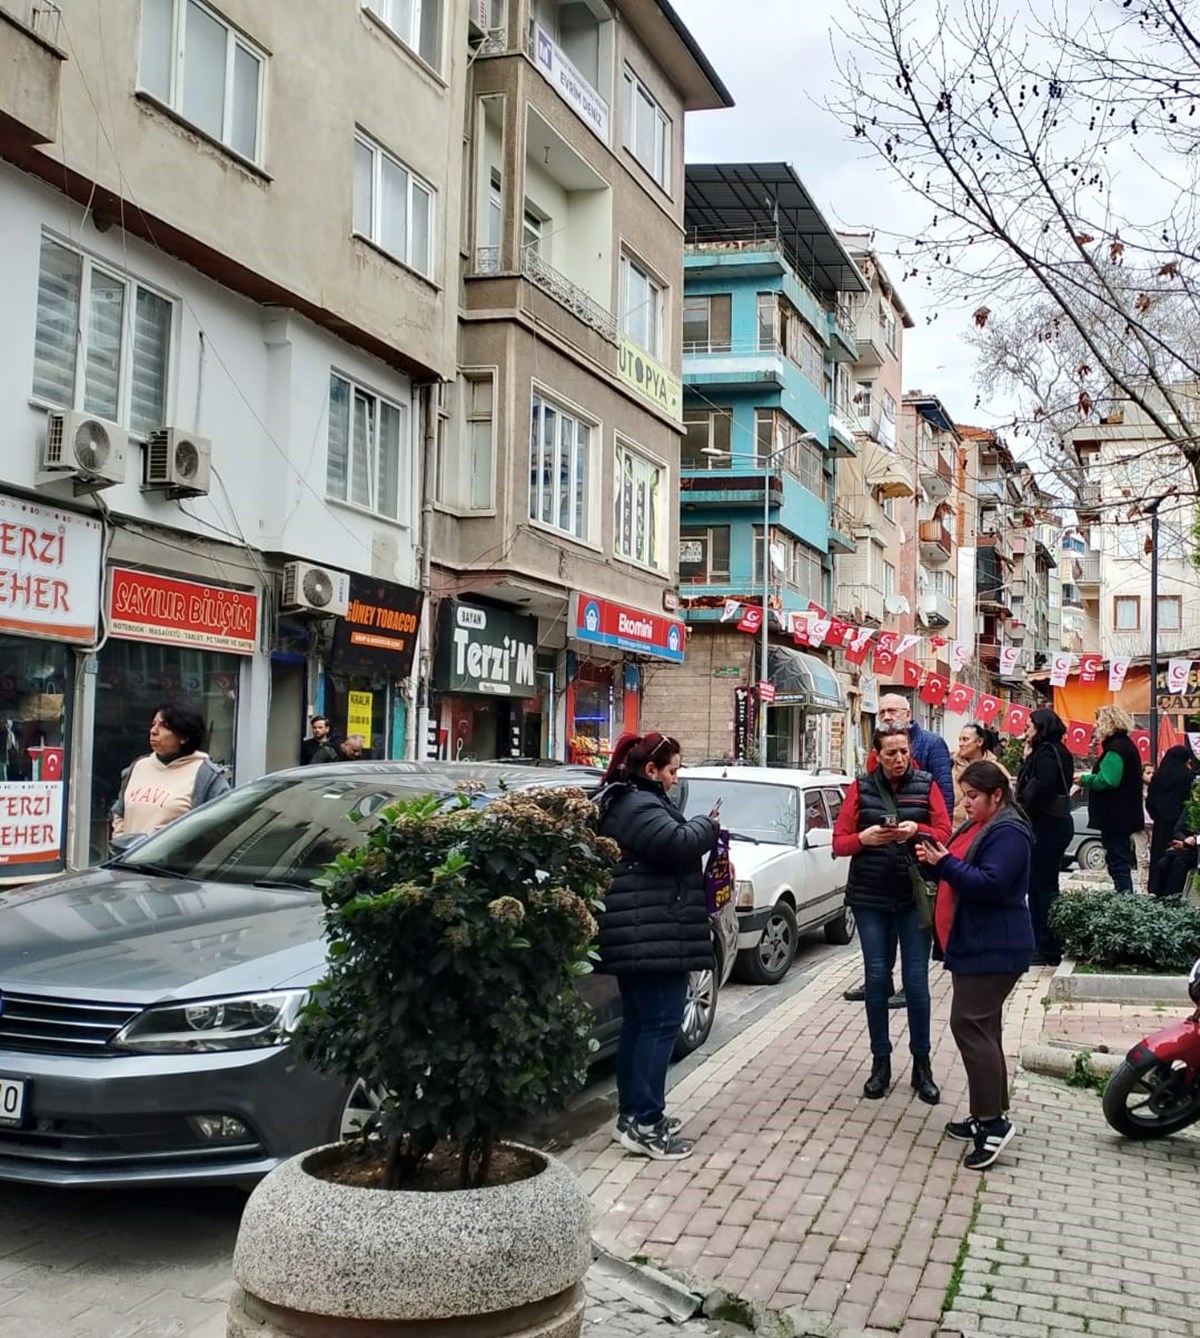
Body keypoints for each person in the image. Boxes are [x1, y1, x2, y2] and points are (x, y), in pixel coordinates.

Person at [595, 731, 719, 1161]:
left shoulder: (631, 799)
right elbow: (675, 843)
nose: (674, 779)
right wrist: (708, 824)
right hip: (650, 933)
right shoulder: (637, 803)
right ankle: (646, 1123)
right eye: (671, 771)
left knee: (641, 1023)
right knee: (660, 1024)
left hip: (646, 931)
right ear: (650, 770)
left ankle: (632, 1116)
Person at [916, 760, 1034, 1170]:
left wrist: (945, 864)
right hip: (976, 944)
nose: (966, 804)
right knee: (984, 1028)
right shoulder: (979, 825)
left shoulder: (1009, 832)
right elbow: (955, 861)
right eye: (963, 796)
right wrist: (932, 857)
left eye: (972, 797)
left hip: (996, 947)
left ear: (996, 796)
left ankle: (994, 1124)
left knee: (968, 1024)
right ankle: (988, 1110)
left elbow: (991, 884)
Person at [832, 724, 953, 1103]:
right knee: (876, 978)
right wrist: (864, 839)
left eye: (903, 752)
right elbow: (839, 842)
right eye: (891, 753)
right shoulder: (861, 787)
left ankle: (922, 1064)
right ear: (877, 755)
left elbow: (946, 830)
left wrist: (918, 829)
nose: (899, 759)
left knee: (916, 982)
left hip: (912, 896)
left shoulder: (927, 781)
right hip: (870, 898)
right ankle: (880, 1062)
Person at [844, 693, 954, 1006]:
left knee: (913, 953)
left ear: (907, 713)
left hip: (914, 861)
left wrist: (927, 835)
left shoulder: (931, 744)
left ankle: (908, 990)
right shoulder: (877, 752)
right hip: (876, 871)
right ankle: (880, 983)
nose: (886, 715)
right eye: (882, 711)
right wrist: (866, 836)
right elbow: (867, 795)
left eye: (892, 710)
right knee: (879, 947)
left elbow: (941, 793)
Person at [111, 702, 230, 839]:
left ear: (184, 737)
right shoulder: (139, 766)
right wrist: (120, 842)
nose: (153, 731)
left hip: (175, 860)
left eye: (164, 726)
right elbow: (119, 813)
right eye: (153, 724)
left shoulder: (206, 776)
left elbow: (220, 827)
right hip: (129, 859)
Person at [1015, 708, 1074, 965]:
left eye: (1029, 726)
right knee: (1039, 886)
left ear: (1041, 727)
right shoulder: (1050, 750)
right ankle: (1042, 943)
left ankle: (1047, 945)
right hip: (1047, 824)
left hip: (1048, 825)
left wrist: (1024, 802)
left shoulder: (1049, 752)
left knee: (1043, 888)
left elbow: (1043, 785)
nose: (1026, 730)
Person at [1079, 705, 1144, 894]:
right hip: (1123, 815)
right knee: (1119, 861)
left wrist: (1085, 779)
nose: (1095, 726)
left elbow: (1108, 780)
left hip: (1116, 817)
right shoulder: (1126, 745)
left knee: (1118, 863)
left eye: (1098, 721)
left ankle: (1124, 903)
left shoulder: (1116, 749)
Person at [1145, 747, 1197, 896]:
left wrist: (1158, 816)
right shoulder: (1187, 777)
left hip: (1161, 824)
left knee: (1159, 858)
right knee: (1176, 859)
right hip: (1181, 828)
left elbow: (1150, 802)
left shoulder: (1158, 777)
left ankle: (1156, 889)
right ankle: (1172, 894)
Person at [952, 722, 1004, 827]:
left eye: (965, 739)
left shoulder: (996, 769)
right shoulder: (951, 766)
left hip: (987, 827)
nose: (961, 744)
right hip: (956, 827)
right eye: (960, 740)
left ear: (979, 742)